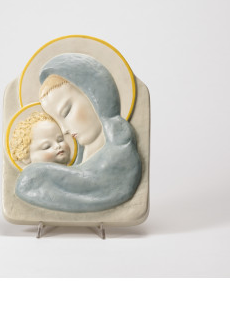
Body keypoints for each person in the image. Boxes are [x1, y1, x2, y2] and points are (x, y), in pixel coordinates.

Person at [15, 53, 142, 212]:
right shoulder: (79, 158)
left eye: (66, 112)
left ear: (95, 96)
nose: (64, 130)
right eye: (57, 120)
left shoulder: (120, 156)